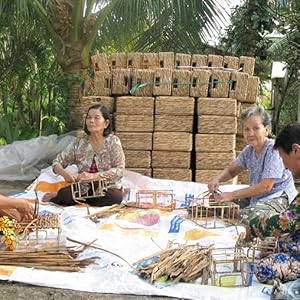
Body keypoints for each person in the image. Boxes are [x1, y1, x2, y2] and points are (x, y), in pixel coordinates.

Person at [208, 107, 297, 225]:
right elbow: (231, 171)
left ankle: (245, 216)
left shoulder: (273, 150)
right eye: (246, 129)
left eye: (256, 128)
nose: (250, 133)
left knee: (249, 217)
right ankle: (237, 213)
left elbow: (266, 187)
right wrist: (217, 179)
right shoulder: (249, 150)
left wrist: (232, 195)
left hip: (278, 196)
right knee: (217, 199)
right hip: (258, 197)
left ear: (267, 129)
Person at [245, 123, 300, 285]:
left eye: (283, 158)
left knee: (264, 268)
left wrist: (254, 227)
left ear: (296, 150)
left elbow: (287, 220)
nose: (284, 166)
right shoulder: (248, 153)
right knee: (281, 241)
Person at [42, 104, 125, 207]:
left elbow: (120, 170)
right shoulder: (80, 142)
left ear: (106, 123)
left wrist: (93, 176)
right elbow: (57, 162)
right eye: (89, 117)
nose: (91, 121)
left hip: (107, 188)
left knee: (116, 197)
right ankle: (73, 198)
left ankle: (77, 200)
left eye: (96, 118)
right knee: (65, 194)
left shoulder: (113, 141)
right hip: (83, 188)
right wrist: (64, 173)